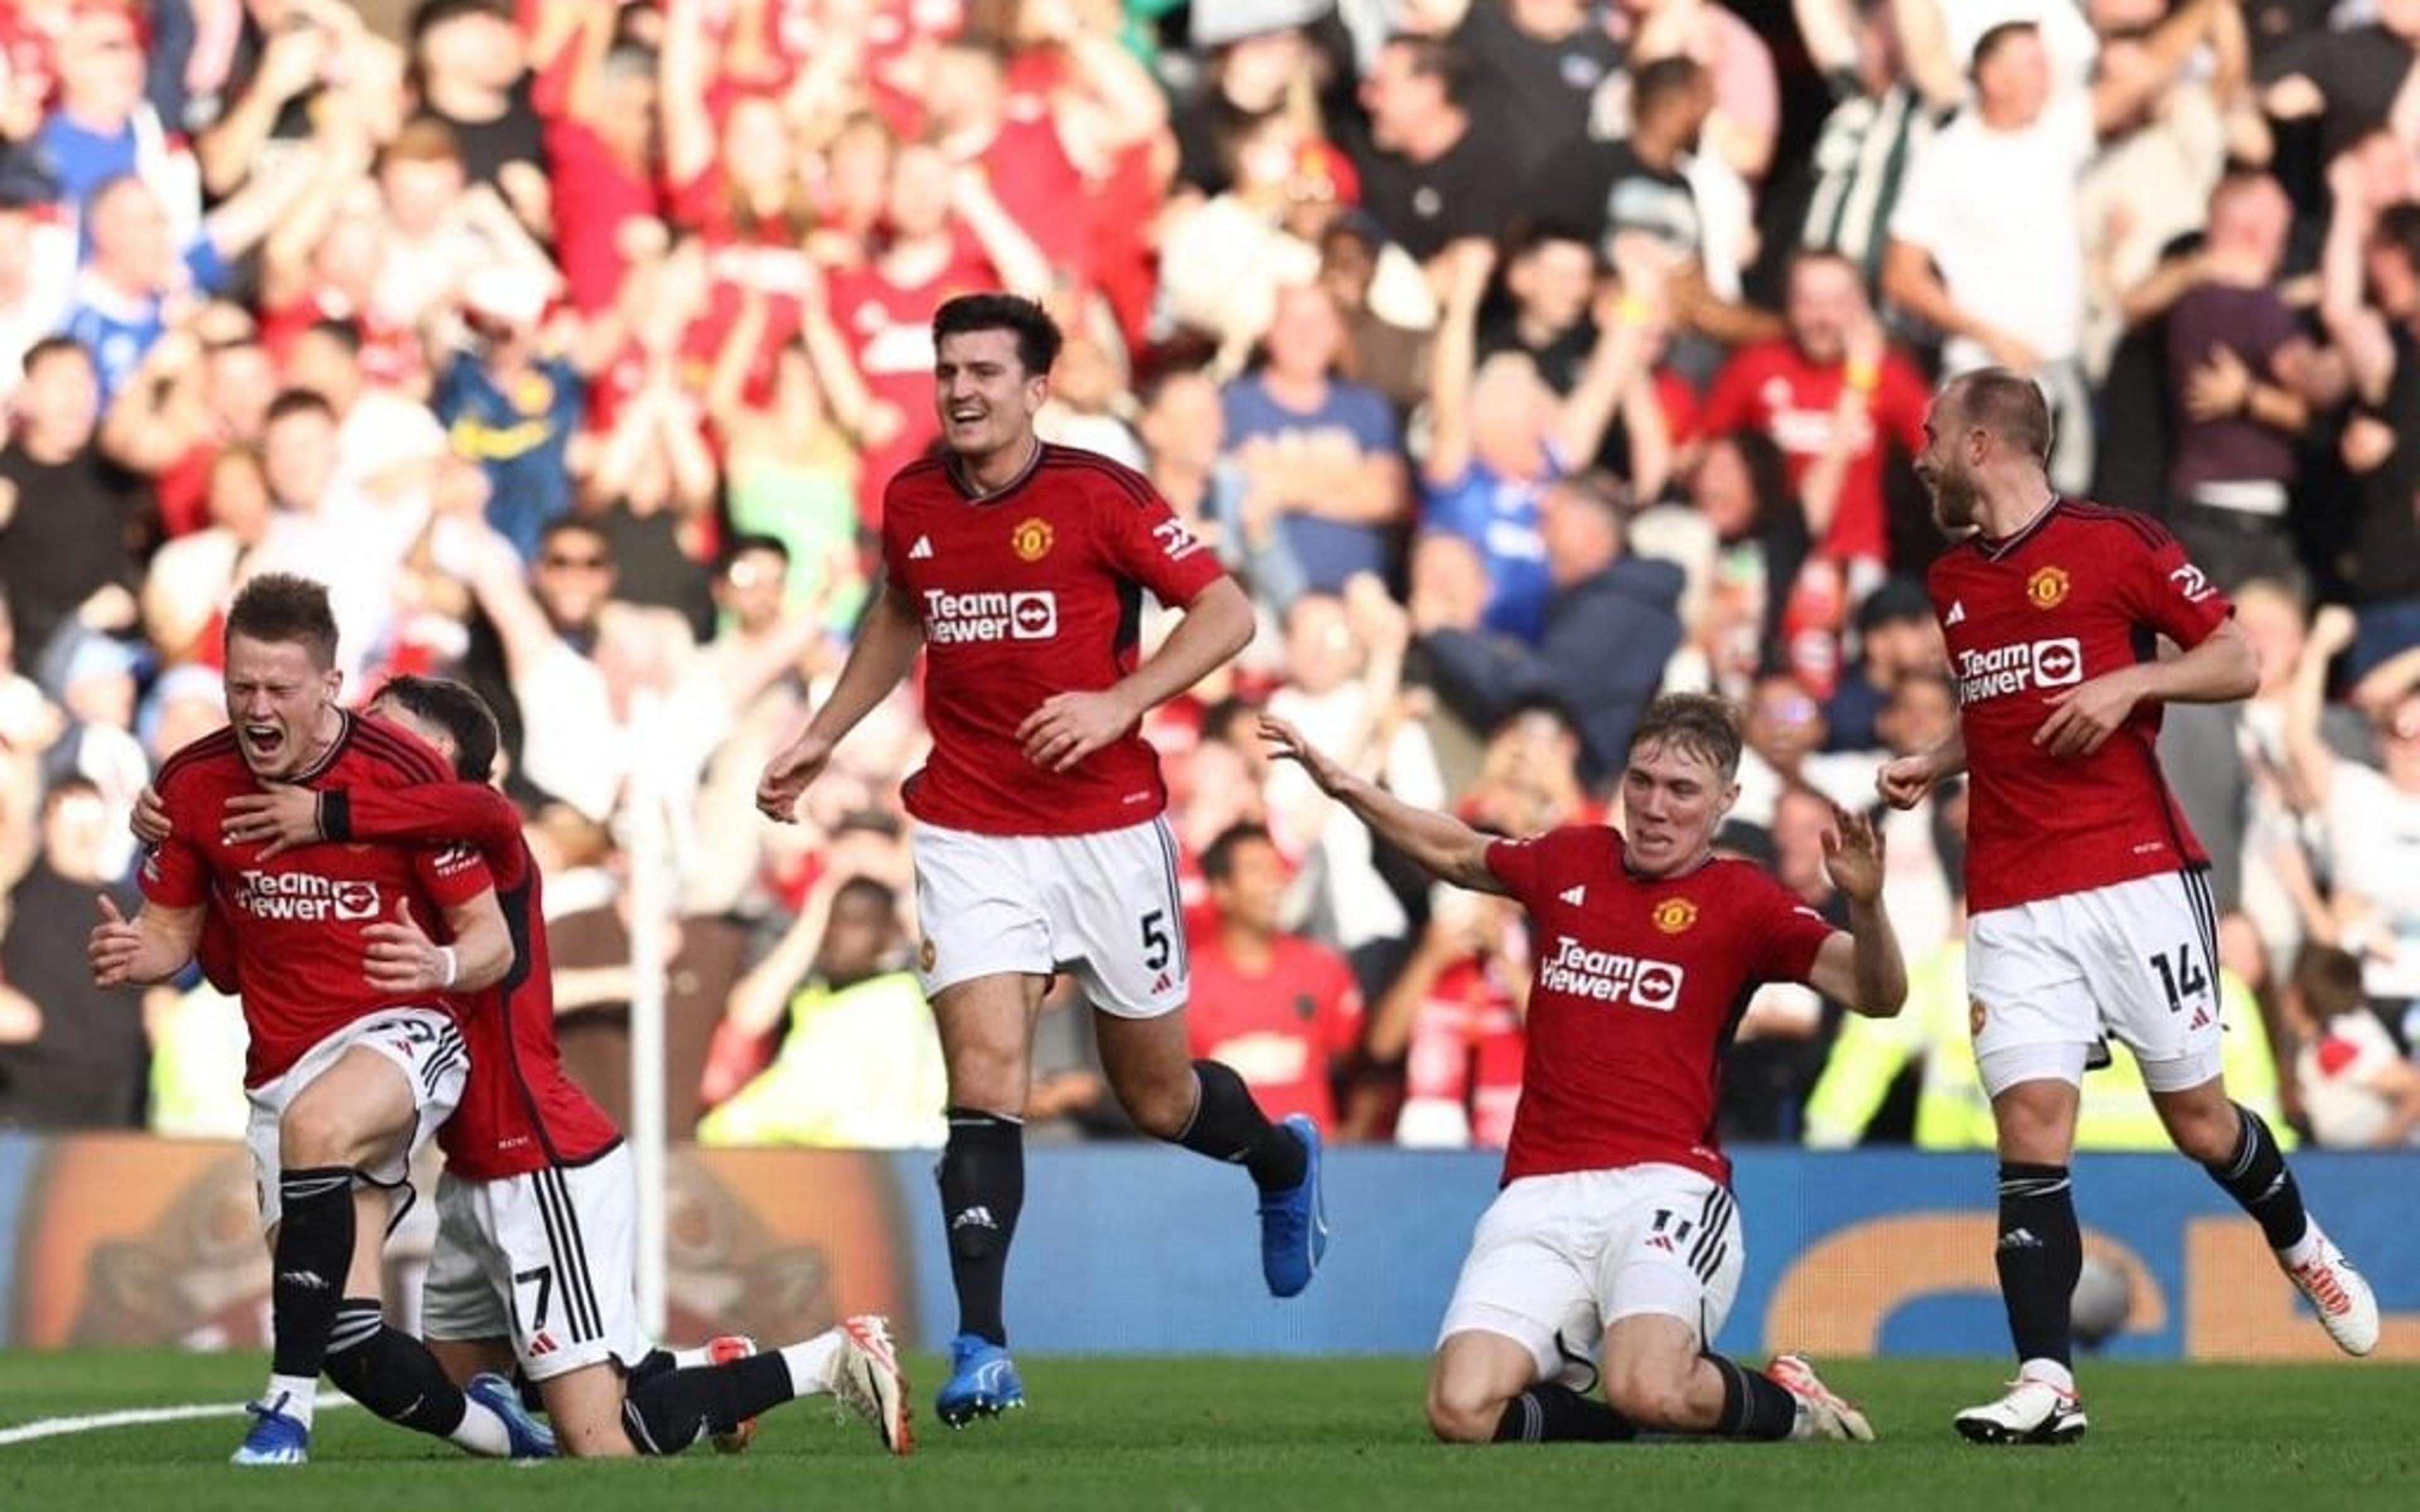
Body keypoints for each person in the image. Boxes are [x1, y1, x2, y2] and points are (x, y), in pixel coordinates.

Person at [756, 292, 1326, 1429]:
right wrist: (825, 732)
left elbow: (1225, 616)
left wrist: (1121, 703)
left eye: (983, 373)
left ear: (1035, 389)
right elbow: (898, 613)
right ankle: (982, 1346)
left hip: (1109, 833)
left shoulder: (1096, 495)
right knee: (982, 1083)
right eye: (946, 371)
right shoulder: (913, 496)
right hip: (971, 829)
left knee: (1158, 1097)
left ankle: (1279, 1162)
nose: (961, 391)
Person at [161, 675, 913, 1460]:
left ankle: (824, 1360)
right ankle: (695, 1373)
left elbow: (482, 806)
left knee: (597, 1437)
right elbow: (236, 941)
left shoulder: (486, 839)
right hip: (470, 1172)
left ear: (439, 757)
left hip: (538, 1158)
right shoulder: (390, 856)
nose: (360, 741)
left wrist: (327, 811)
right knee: (470, 1395)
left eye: (383, 729)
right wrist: (177, 827)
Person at [1877, 369, 2378, 1447]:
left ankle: (2302, 1246)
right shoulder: (1954, 579)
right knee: (2028, 1128)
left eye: (1930, 434)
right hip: (2011, 896)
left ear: (1980, 444)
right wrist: (1936, 757)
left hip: (2135, 876)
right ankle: (2047, 1380)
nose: (1916, 454)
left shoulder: (2117, 542)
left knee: (2197, 1118)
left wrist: (2133, 685)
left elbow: (2237, 658)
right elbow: (2003, 710)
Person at [1260, 692, 1906, 1446]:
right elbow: (1459, 851)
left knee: (1649, 1383)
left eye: (1682, 791)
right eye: (1642, 781)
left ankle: (1790, 1407)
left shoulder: (1745, 901)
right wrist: (1347, 788)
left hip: (1667, 1185)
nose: (1655, 807)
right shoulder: (1573, 859)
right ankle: (1622, 1433)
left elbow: (1877, 993)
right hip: (1539, 1191)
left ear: (1725, 801)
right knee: (1461, 1411)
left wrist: (1865, 907)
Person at [84, 573, 520, 1466]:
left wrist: (436, 964)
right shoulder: (194, 783)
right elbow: (172, 934)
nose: (257, 707)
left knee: (323, 1125)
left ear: (331, 684)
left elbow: (491, 945)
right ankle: (509, 1434)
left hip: (405, 1031)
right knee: (344, 1334)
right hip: (283, 1061)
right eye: (241, 686)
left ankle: (284, 1412)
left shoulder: (399, 776)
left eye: (281, 688)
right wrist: (140, 956)